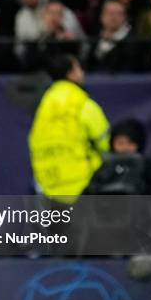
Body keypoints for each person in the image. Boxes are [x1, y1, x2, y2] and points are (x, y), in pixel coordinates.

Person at [28, 54, 109, 203]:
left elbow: (34, 141)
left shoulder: (44, 105)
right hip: (83, 187)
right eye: (78, 68)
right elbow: (105, 141)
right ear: (71, 74)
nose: (82, 73)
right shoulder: (80, 102)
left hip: (49, 188)